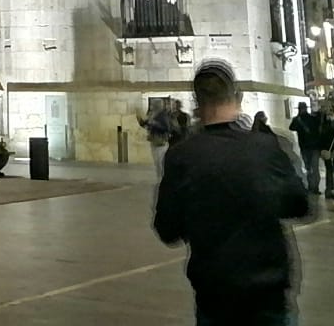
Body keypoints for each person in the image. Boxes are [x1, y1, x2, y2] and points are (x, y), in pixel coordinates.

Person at [153, 59, 309, 325]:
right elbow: (299, 205)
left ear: (198, 102)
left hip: (214, 291)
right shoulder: (264, 147)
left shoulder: (181, 156)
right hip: (266, 289)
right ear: (238, 97)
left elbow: (167, 229)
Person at [137, 98, 177, 178]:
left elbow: (166, 128)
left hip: (161, 142)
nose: (152, 106)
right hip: (154, 141)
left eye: (153, 105)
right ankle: (159, 179)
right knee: (157, 163)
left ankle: (163, 179)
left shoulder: (163, 116)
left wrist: (154, 124)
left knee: (160, 163)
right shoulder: (153, 115)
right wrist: (141, 121)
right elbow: (147, 125)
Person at [289, 102, 323, 195]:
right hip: (314, 147)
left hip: (305, 147)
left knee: (309, 168)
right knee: (314, 168)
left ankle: (311, 187)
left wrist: (297, 118)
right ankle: (315, 187)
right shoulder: (312, 118)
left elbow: (291, 127)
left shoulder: (298, 120)